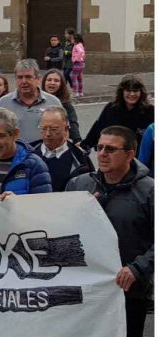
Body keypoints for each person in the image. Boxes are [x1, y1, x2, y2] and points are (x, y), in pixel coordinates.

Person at [65, 126, 153, 337]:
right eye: (100, 147)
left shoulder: (149, 191)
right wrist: (15, 205)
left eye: (111, 149)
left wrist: (137, 269)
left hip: (128, 292)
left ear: (130, 154)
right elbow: (55, 224)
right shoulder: (79, 185)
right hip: (86, 288)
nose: (102, 154)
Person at [0, 107, 52, 196]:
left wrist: (17, 204)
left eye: (0, 136)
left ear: (15, 134)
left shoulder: (34, 166)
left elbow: (43, 206)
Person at [0, 59, 62, 143]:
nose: (24, 81)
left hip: (44, 154)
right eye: (20, 77)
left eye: (28, 77)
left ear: (38, 79)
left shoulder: (53, 103)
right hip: (14, 155)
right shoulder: (2, 104)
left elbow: (63, 132)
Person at [81, 74, 154, 151]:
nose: (132, 94)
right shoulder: (111, 108)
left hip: (140, 158)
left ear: (141, 92)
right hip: (113, 156)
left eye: (135, 91)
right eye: (128, 90)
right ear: (122, 92)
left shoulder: (150, 111)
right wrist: (84, 146)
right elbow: (97, 129)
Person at [30, 106, 94, 192]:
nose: (48, 134)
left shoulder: (79, 159)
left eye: (54, 129)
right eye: (43, 128)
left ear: (66, 129)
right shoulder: (29, 154)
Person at [41, 69, 82, 143]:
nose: (52, 83)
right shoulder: (37, 101)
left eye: (56, 81)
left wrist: (77, 140)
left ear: (61, 84)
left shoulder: (65, 104)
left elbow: (72, 123)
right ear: (44, 82)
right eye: (49, 80)